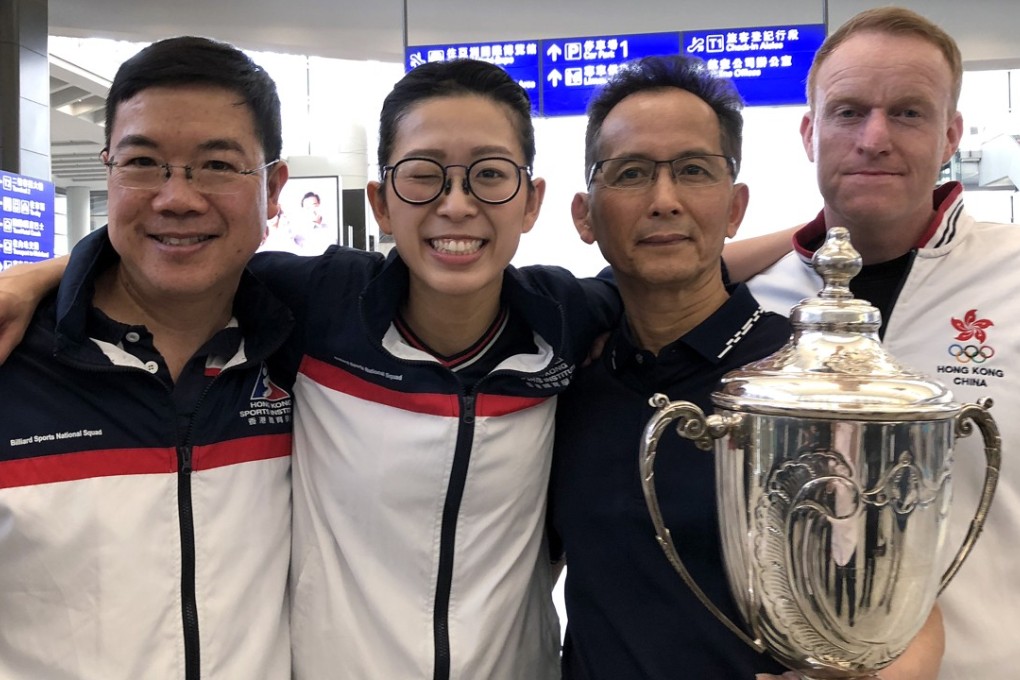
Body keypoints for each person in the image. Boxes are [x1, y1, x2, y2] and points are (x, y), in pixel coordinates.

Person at [0, 58, 619, 678]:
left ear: (531, 201)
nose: (455, 205)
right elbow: (172, 261)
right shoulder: (316, 308)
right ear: (380, 202)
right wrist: (38, 280)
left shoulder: (563, 320)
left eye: (489, 175)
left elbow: (682, 276)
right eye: (422, 176)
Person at [548, 54, 943, 679]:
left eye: (694, 170)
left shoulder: (812, 383)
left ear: (734, 208)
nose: (665, 200)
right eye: (629, 174)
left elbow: (907, 602)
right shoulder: (570, 383)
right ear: (584, 214)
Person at [0, 36, 294, 679]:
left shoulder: (311, 349)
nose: (177, 197)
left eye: (217, 165)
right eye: (143, 163)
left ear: (274, 188)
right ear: (109, 172)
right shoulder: (13, 360)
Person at [737, 8, 1018, 678]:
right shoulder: (749, 302)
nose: (874, 138)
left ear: (951, 133)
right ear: (809, 132)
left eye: (910, 113)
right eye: (847, 111)